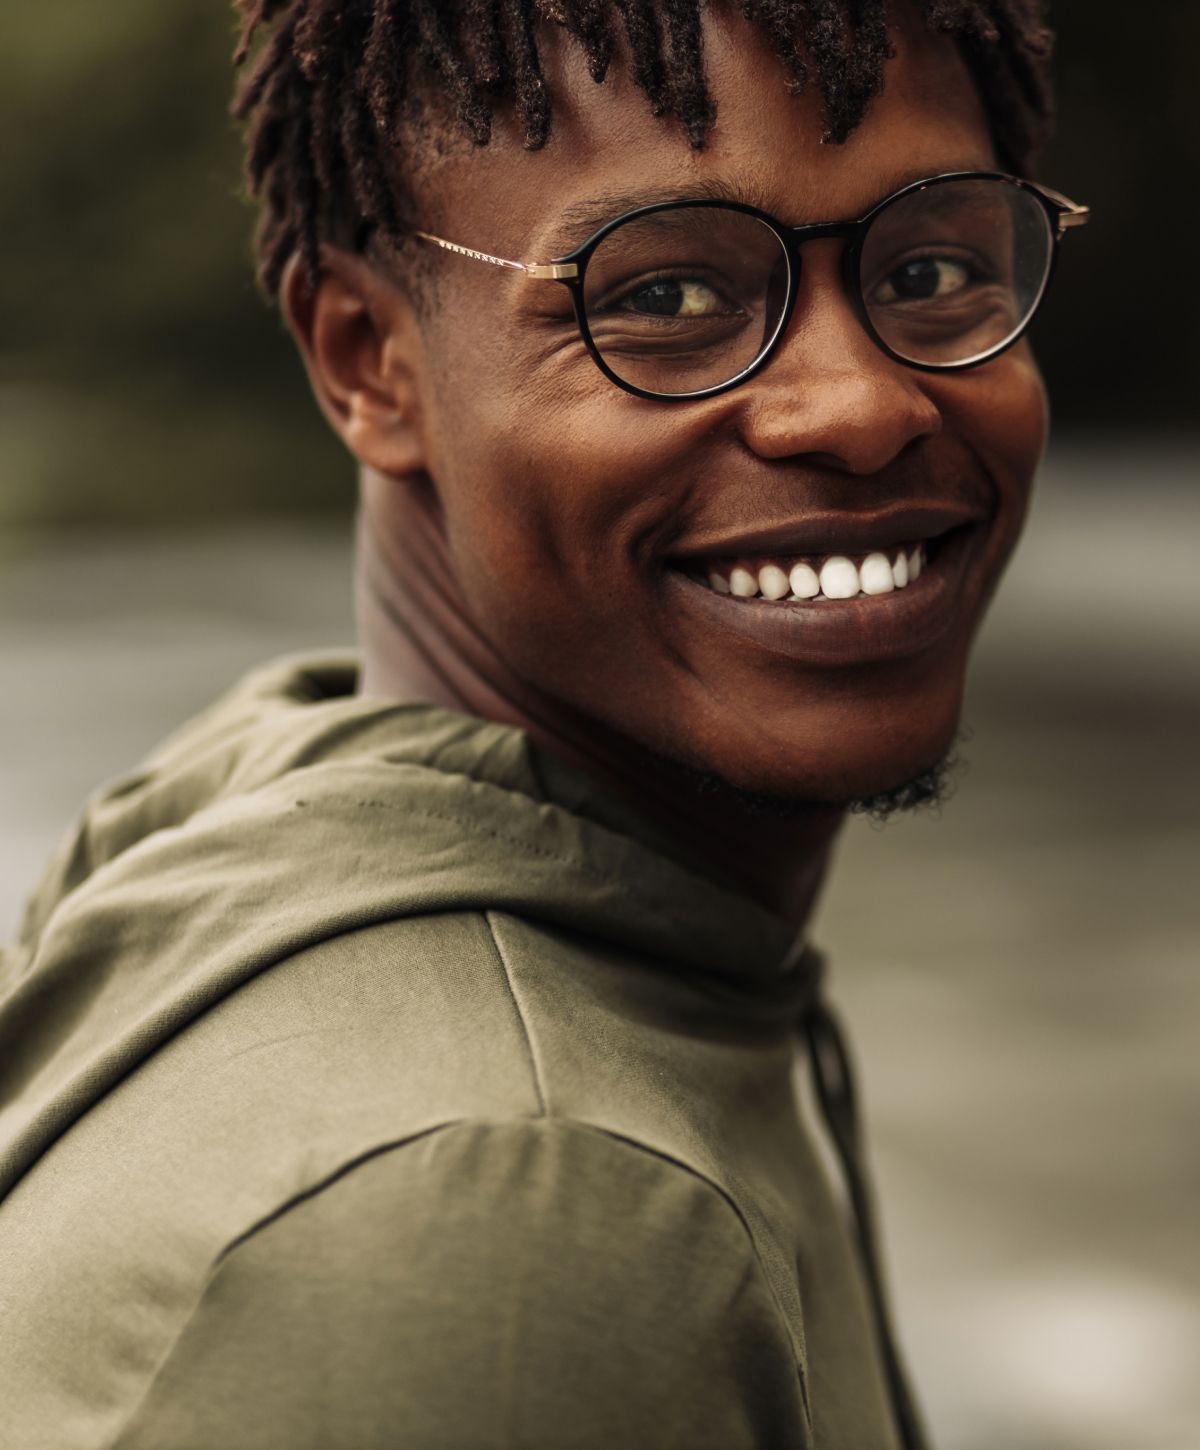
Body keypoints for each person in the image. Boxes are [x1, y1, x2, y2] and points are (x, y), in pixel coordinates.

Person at [0, 2, 1089, 1446]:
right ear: (364, 360)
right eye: (665, 298)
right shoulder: (519, 1196)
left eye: (934, 267)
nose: (858, 405)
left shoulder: (263, 793)